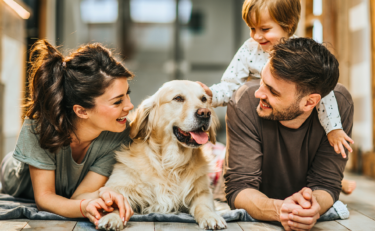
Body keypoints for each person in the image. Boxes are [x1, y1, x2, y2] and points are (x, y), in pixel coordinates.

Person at [198, 0, 356, 194]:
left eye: (264, 29)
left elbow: (324, 93)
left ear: (288, 25)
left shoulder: (301, 56)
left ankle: (337, 182)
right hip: (263, 119)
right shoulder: (250, 50)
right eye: (252, 28)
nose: (256, 36)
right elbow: (231, 83)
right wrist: (212, 95)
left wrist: (334, 129)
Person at [0, 40, 134, 228]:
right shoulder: (38, 128)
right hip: (16, 177)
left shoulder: (118, 134)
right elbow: (44, 199)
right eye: (117, 102)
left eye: (128, 94)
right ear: (82, 111)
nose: (129, 106)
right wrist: (85, 206)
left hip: (68, 187)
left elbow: (80, 196)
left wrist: (102, 195)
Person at [224, 37, 353, 230]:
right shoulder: (244, 101)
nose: (259, 94)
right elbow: (239, 188)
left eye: (273, 92)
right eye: (262, 80)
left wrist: (312, 206)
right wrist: (280, 209)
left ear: (310, 102)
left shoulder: (340, 105)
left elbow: (326, 184)